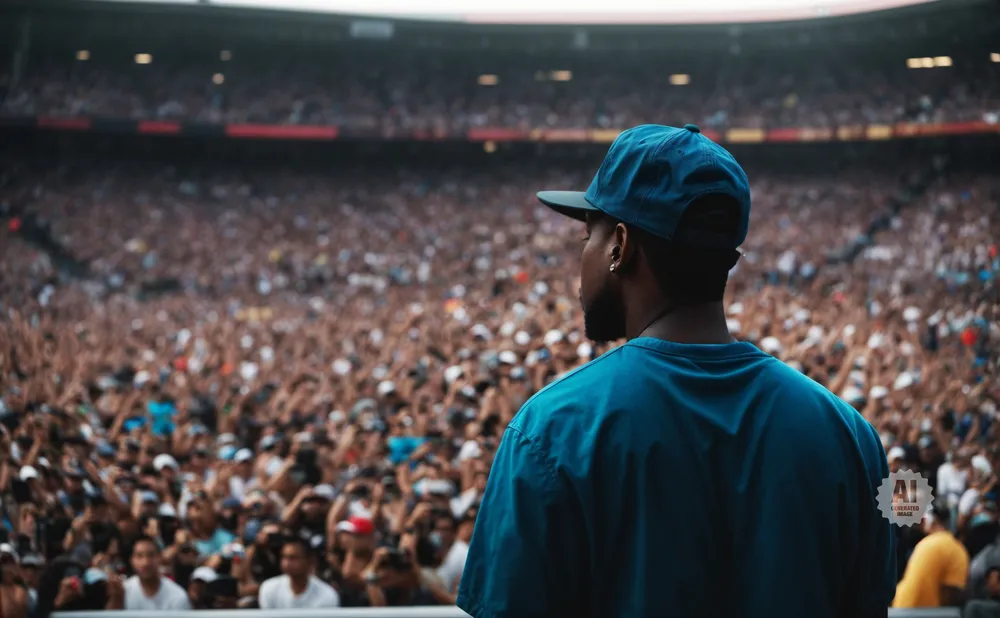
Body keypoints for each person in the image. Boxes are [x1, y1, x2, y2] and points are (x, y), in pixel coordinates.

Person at [457, 124, 896, 618]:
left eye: (588, 235)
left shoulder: (552, 432)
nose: (582, 257)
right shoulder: (849, 435)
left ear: (620, 245)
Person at [894, 503, 970, 608]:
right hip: (921, 612)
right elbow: (950, 597)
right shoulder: (955, 549)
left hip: (901, 607)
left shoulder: (927, 542)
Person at [258, 537, 340, 609]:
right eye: (284, 557)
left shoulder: (327, 595)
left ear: (310, 561)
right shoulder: (269, 589)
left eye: (293, 558)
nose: (286, 563)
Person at [118, 535, 191, 610]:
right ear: (131, 560)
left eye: (151, 555)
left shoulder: (177, 596)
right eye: (139, 556)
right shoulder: (123, 592)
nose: (145, 563)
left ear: (160, 558)